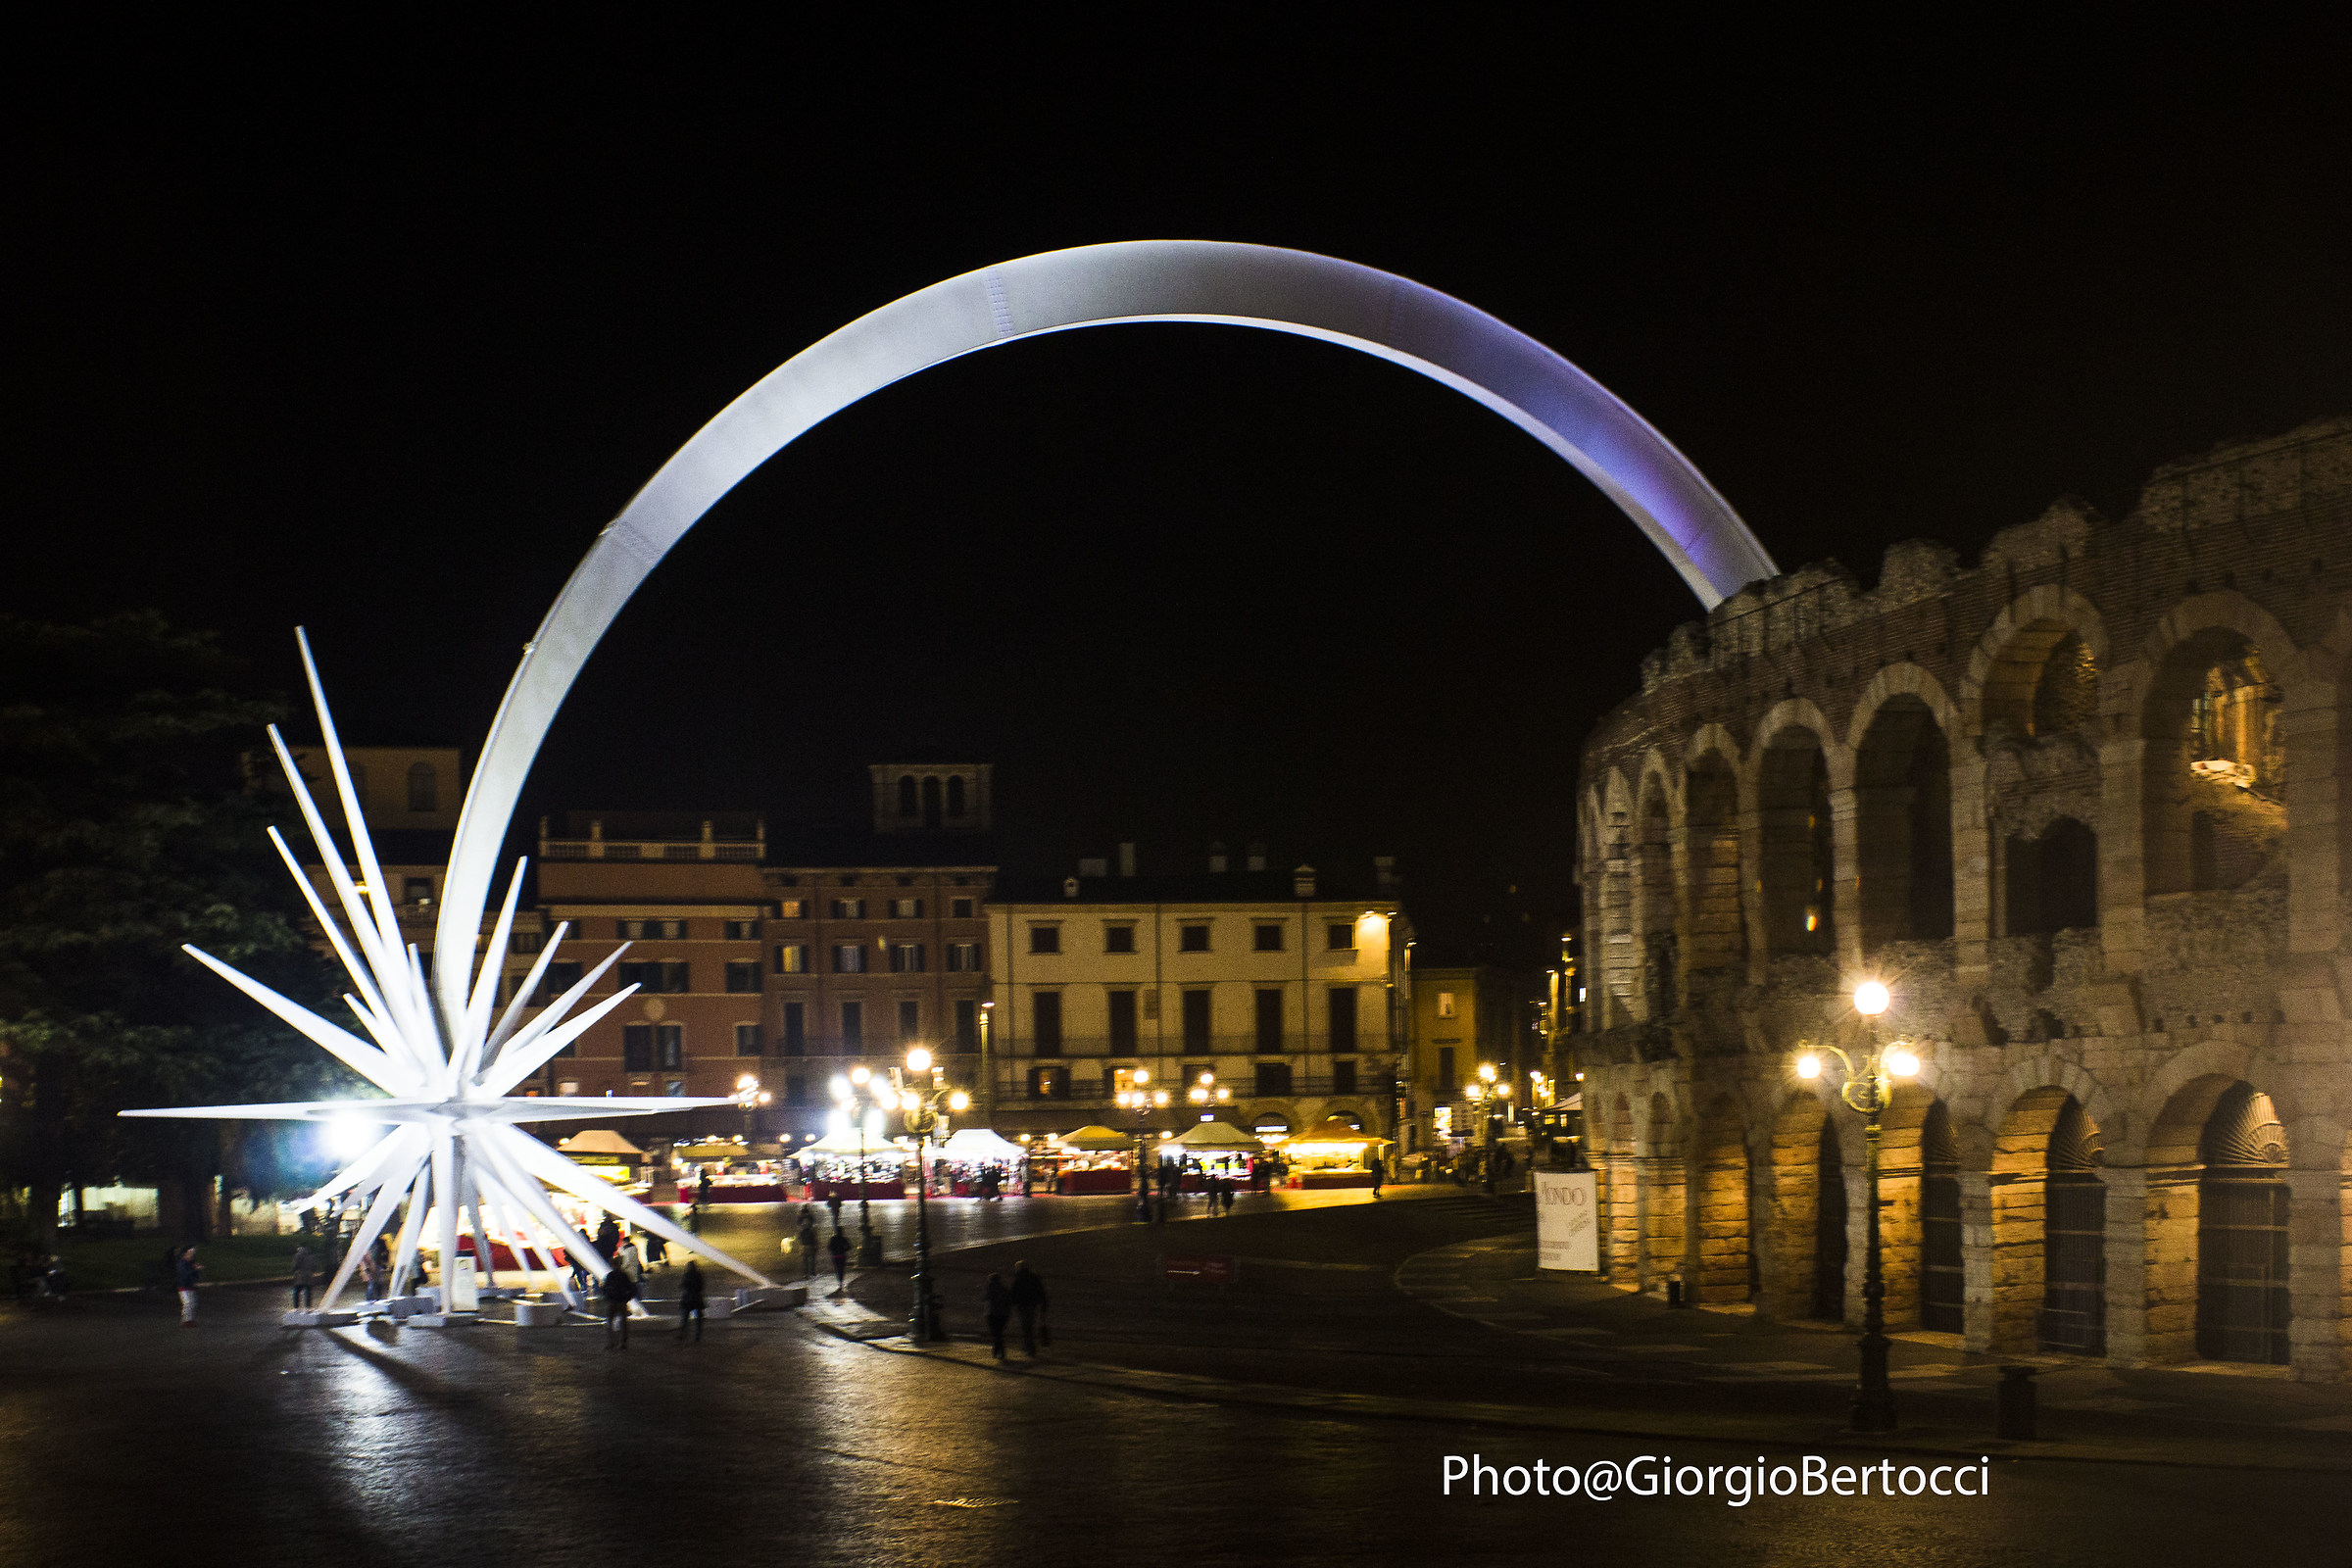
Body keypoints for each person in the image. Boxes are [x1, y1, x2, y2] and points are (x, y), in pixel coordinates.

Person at [1008, 1259, 1048, 1356]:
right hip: (1032, 1305)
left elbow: (1014, 1293)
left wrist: (1012, 1303)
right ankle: (1030, 1346)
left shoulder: (1018, 1278)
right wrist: (1042, 1304)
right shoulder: (1034, 1277)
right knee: (1030, 1325)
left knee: (1025, 1327)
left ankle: (1028, 1346)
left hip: (1022, 1306)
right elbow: (1040, 1291)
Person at [601, 1264, 636, 1348]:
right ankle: (622, 1342)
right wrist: (627, 1298)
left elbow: (604, 1288)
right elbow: (631, 1287)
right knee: (622, 1322)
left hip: (614, 1301)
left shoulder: (611, 1276)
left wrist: (607, 1297)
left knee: (610, 1322)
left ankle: (612, 1342)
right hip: (620, 1301)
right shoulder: (623, 1275)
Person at [982, 1271, 1013, 1360]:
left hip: (991, 1313)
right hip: (1003, 1314)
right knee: (999, 1333)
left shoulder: (989, 1288)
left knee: (995, 1333)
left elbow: (985, 1298)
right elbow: (1009, 1302)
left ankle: (998, 1351)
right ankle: (998, 1351)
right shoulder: (1004, 1289)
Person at [615, 1236, 649, 1316]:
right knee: (633, 1285)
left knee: (631, 1286)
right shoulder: (632, 1248)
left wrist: (621, 1268)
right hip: (633, 1271)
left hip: (629, 1271)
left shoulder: (628, 1250)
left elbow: (626, 1261)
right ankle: (635, 1300)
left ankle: (634, 1302)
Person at [677, 1259, 706, 1344]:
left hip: (687, 1299)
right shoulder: (698, 1275)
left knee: (685, 1319)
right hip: (696, 1299)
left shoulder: (687, 1275)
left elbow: (683, 1285)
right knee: (698, 1320)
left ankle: (682, 1335)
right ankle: (697, 1336)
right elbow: (701, 1286)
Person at [175, 1247, 202, 1327]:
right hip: (184, 1287)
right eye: (190, 1253)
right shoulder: (182, 1263)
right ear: (185, 1254)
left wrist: (197, 1271)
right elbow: (185, 1274)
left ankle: (190, 1319)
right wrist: (195, 1269)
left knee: (193, 1303)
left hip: (190, 1286)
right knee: (188, 1303)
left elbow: (195, 1276)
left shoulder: (191, 1263)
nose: (192, 1255)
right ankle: (185, 1320)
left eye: (193, 1253)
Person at [795, 1206, 820, 1279]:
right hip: (810, 1246)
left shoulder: (802, 1231)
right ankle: (812, 1273)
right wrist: (816, 1246)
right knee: (812, 1260)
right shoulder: (811, 1231)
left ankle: (805, 1273)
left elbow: (799, 1238)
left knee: (805, 1261)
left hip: (804, 1246)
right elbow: (814, 1239)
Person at [291, 1243, 318, 1309]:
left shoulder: (297, 1256)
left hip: (299, 1275)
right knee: (308, 1291)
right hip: (308, 1275)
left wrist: (293, 1271)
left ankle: (296, 1307)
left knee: (296, 1291)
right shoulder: (311, 1256)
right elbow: (314, 1267)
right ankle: (307, 1307)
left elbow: (295, 1266)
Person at [826, 1227, 850, 1292]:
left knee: (837, 1269)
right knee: (841, 1269)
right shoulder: (844, 1239)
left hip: (835, 1256)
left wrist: (833, 1251)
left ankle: (839, 1280)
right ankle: (841, 1281)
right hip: (842, 1255)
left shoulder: (832, 1239)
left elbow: (829, 1247)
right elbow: (849, 1246)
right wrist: (844, 1250)